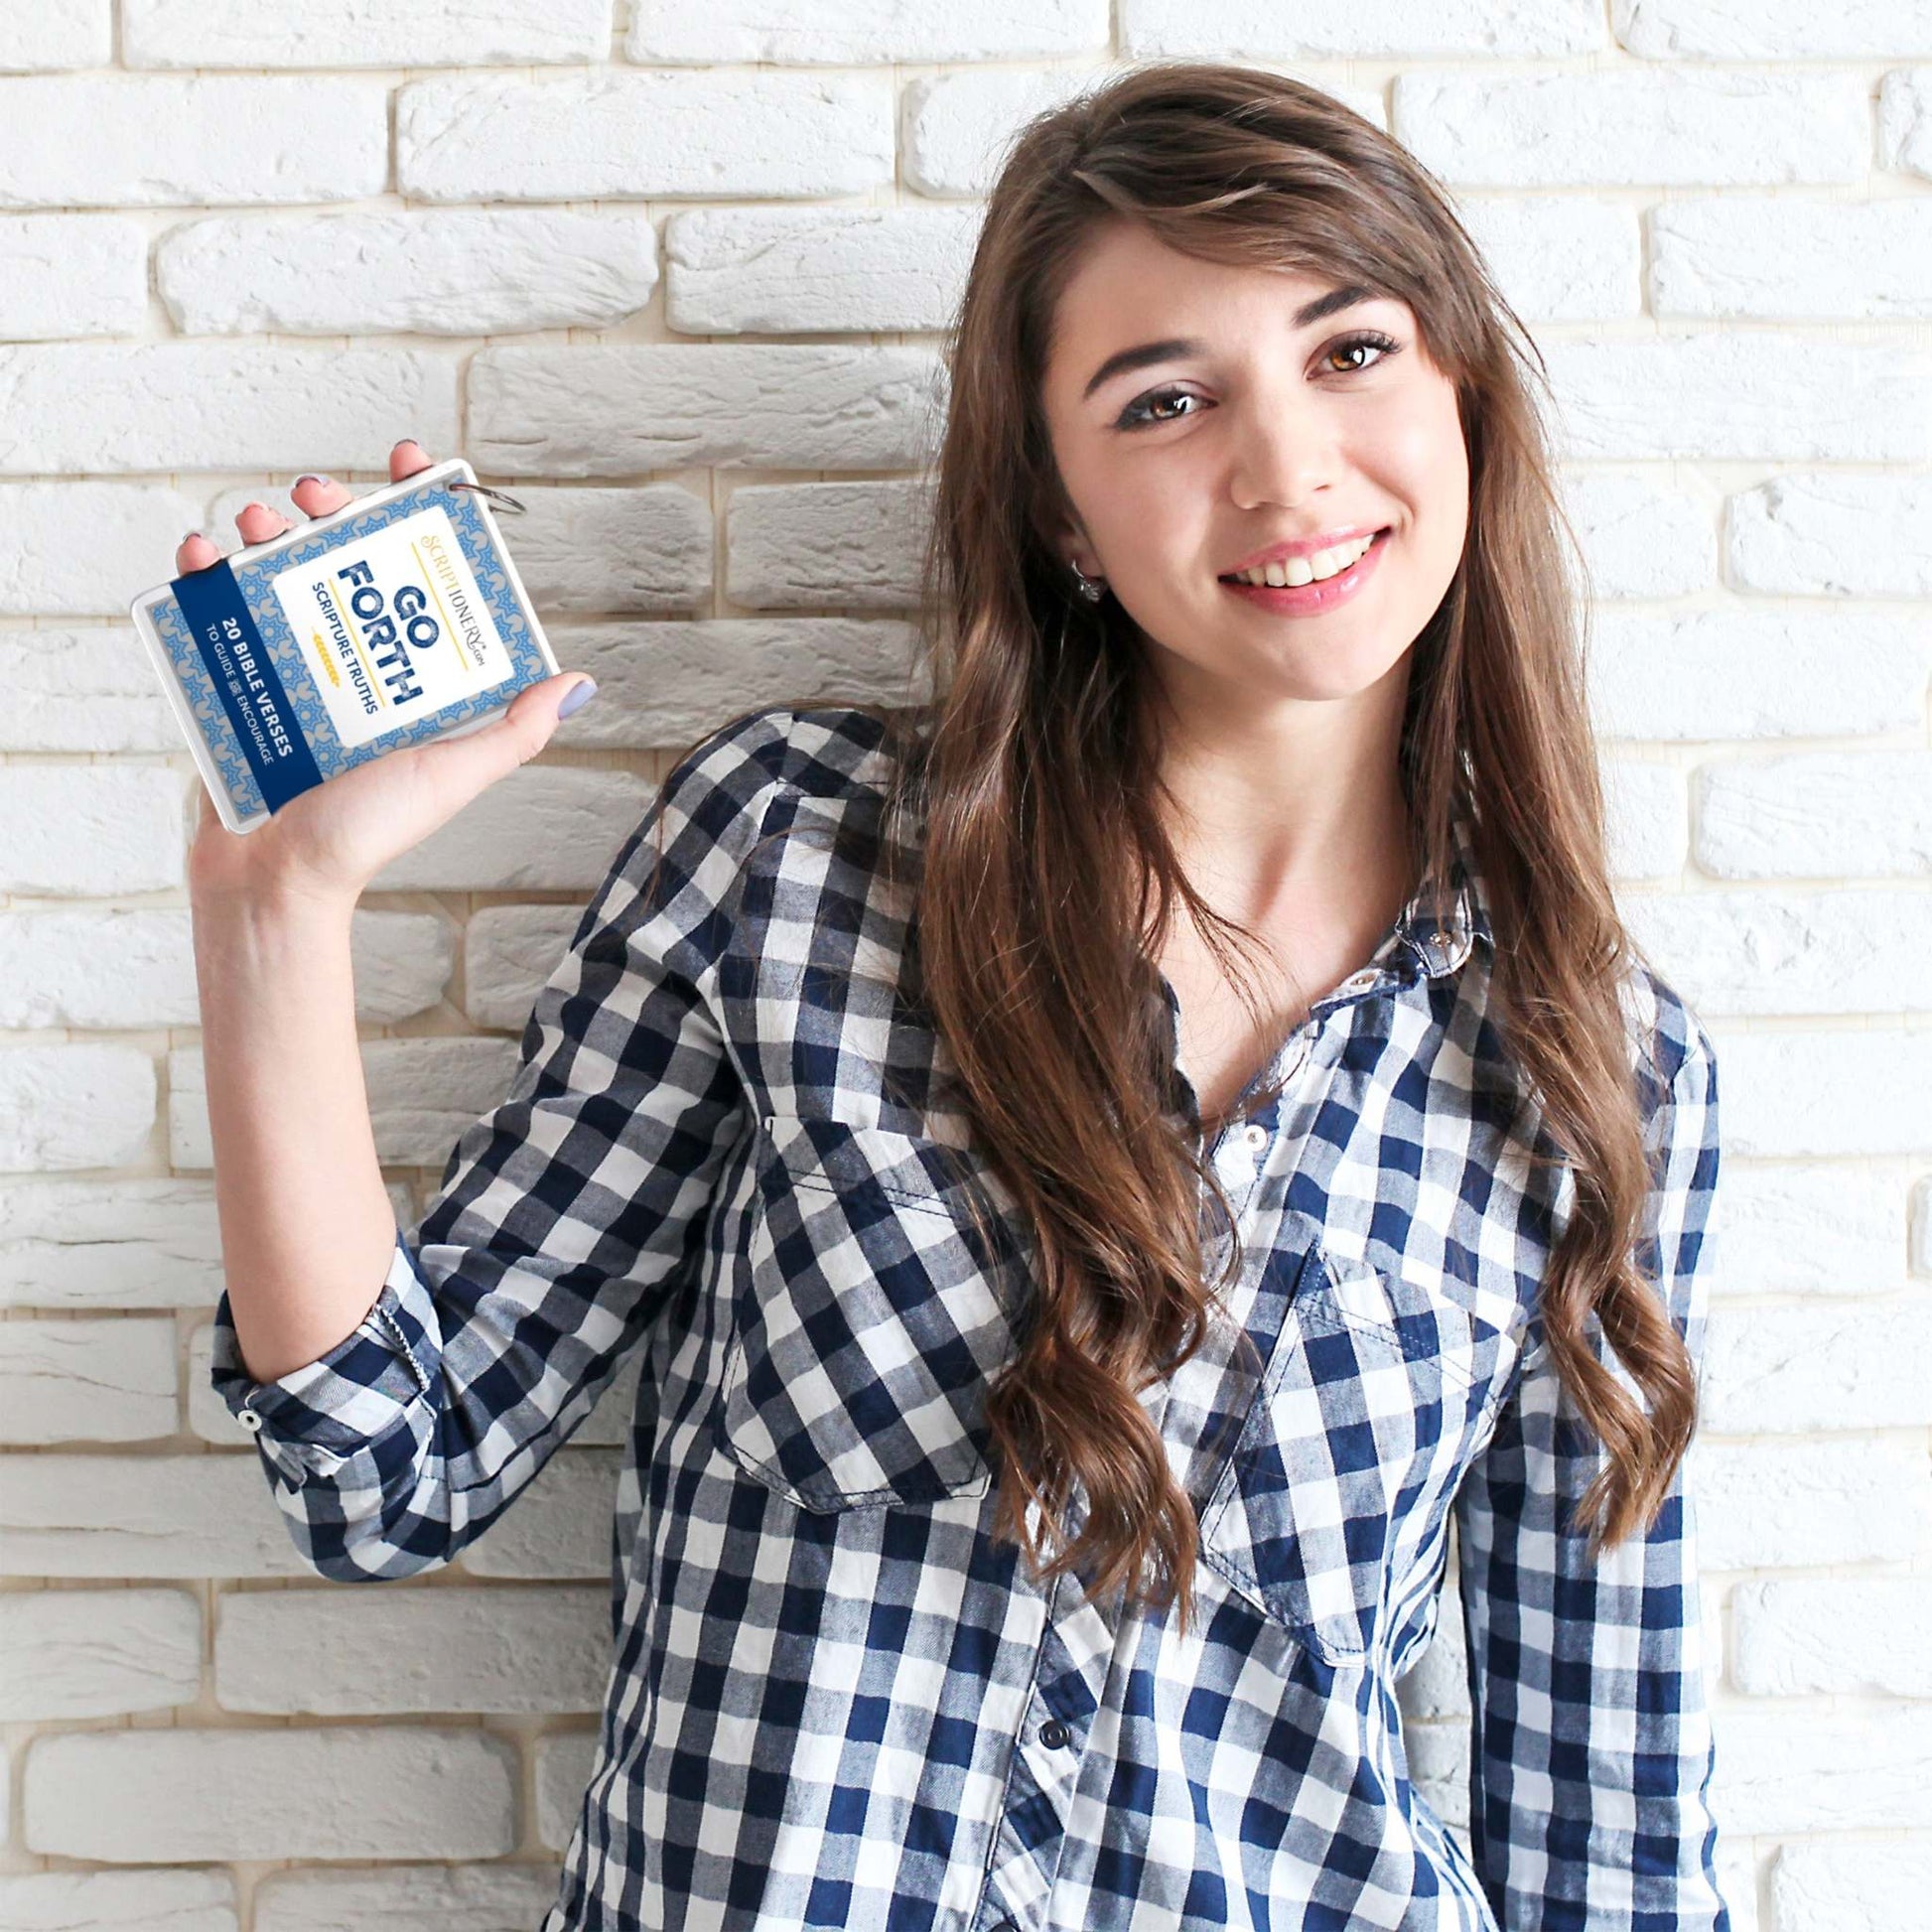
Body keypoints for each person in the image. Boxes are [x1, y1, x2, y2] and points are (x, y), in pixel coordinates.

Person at [182, 60, 1729, 1932]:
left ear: (1461, 404)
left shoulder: (1599, 1069)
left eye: (1350, 353)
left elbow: (1609, 1822)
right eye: (1164, 400)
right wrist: (284, 914)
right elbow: (388, 1479)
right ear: (1062, 513)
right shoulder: (798, 860)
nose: (1285, 466)